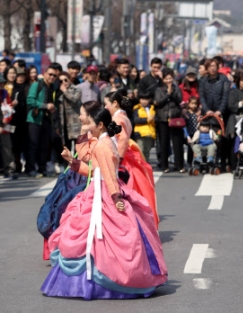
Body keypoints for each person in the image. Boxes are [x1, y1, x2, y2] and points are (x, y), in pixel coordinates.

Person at [41, 107, 167, 299]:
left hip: (104, 192)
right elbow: (94, 169)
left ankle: (101, 282)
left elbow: (107, 175)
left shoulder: (103, 145)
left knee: (98, 236)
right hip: (101, 189)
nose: (87, 125)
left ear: (99, 125)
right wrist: (72, 162)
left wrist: (116, 198)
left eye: (89, 122)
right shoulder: (105, 142)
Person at [105, 90, 159, 229]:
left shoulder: (118, 119)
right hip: (127, 158)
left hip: (123, 159)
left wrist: (119, 158)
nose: (105, 107)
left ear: (115, 103)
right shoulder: (124, 116)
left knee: (125, 196)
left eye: (107, 104)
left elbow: (122, 139)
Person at [199, 58, 231, 171]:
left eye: (214, 66)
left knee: (219, 138)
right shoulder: (203, 80)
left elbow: (225, 96)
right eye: (210, 66)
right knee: (205, 138)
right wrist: (206, 110)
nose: (212, 68)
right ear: (207, 68)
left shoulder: (224, 79)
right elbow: (201, 97)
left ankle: (221, 163)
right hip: (207, 115)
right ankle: (206, 162)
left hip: (220, 115)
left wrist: (220, 111)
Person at [26, 66, 58, 178]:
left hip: (47, 119)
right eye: (50, 74)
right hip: (35, 119)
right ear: (44, 73)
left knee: (44, 145)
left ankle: (42, 168)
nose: (52, 77)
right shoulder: (37, 84)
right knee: (33, 144)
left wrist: (53, 108)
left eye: (54, 75)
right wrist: (45, 106)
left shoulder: (53, 87)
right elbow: (30, 100)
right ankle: (30, 169)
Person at [154, 69, 184, 173]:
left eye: (170, 78)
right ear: (163, 79)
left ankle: (180, 165)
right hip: (163, 118)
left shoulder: (177, 89)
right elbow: (159, 102)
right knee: (164, 143)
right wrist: (167, 94)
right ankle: (164, 165)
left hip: (175, 117)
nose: (168, 80)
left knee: (177, 143)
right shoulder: (159, 89)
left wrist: (172, 93)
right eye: (166, 78)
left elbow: (179, 100)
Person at [53, 72, 82, 168]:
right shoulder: (58, 91)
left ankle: (79, 167)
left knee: (78, 147)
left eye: (66, 80)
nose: (64, 82)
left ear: (70, 79)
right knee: (66, 147)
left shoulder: (76, 89)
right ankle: (66, 166)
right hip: (63, 123)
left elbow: (75, 100)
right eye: (61, 81)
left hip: (75, 123)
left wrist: (65, 91)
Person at [226, 72, 243, 170]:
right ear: (238, 82)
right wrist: (241, 103)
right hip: (235, 121)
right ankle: (233, 165)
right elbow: (231, 106)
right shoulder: (234, 92)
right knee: (234, 143)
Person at [0, 75, 16, 178]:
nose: (1, 85)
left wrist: (6, 120)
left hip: (4, 126)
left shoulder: (5, 94)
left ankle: (9, 169)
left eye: (2, 83)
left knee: (7, 148)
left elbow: (10, 108)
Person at [133, 93, 156, 163]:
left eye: (146, 99)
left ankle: (146, 165)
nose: (144, 101)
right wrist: (147, 119)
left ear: (150, 100)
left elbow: (156, 119)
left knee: (147, 151)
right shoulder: (137, 108)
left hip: (150, 132)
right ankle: (141, 165)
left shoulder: (152, 108)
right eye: (142, 99)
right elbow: (136, 119)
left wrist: (153, 120)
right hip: (140, 132)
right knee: (141, 150)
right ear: (139, 100)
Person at [184, 96, 201, 169]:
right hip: (189, 133)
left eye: (195, 104)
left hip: (196, 134)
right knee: (190, 149)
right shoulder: (186, 114)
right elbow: (184, 126)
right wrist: (187, 136)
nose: (194, 106)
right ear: (188, 104)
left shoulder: (198, 114)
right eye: (192, 104)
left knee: (197, 148)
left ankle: (197, 162)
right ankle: (189, 162)